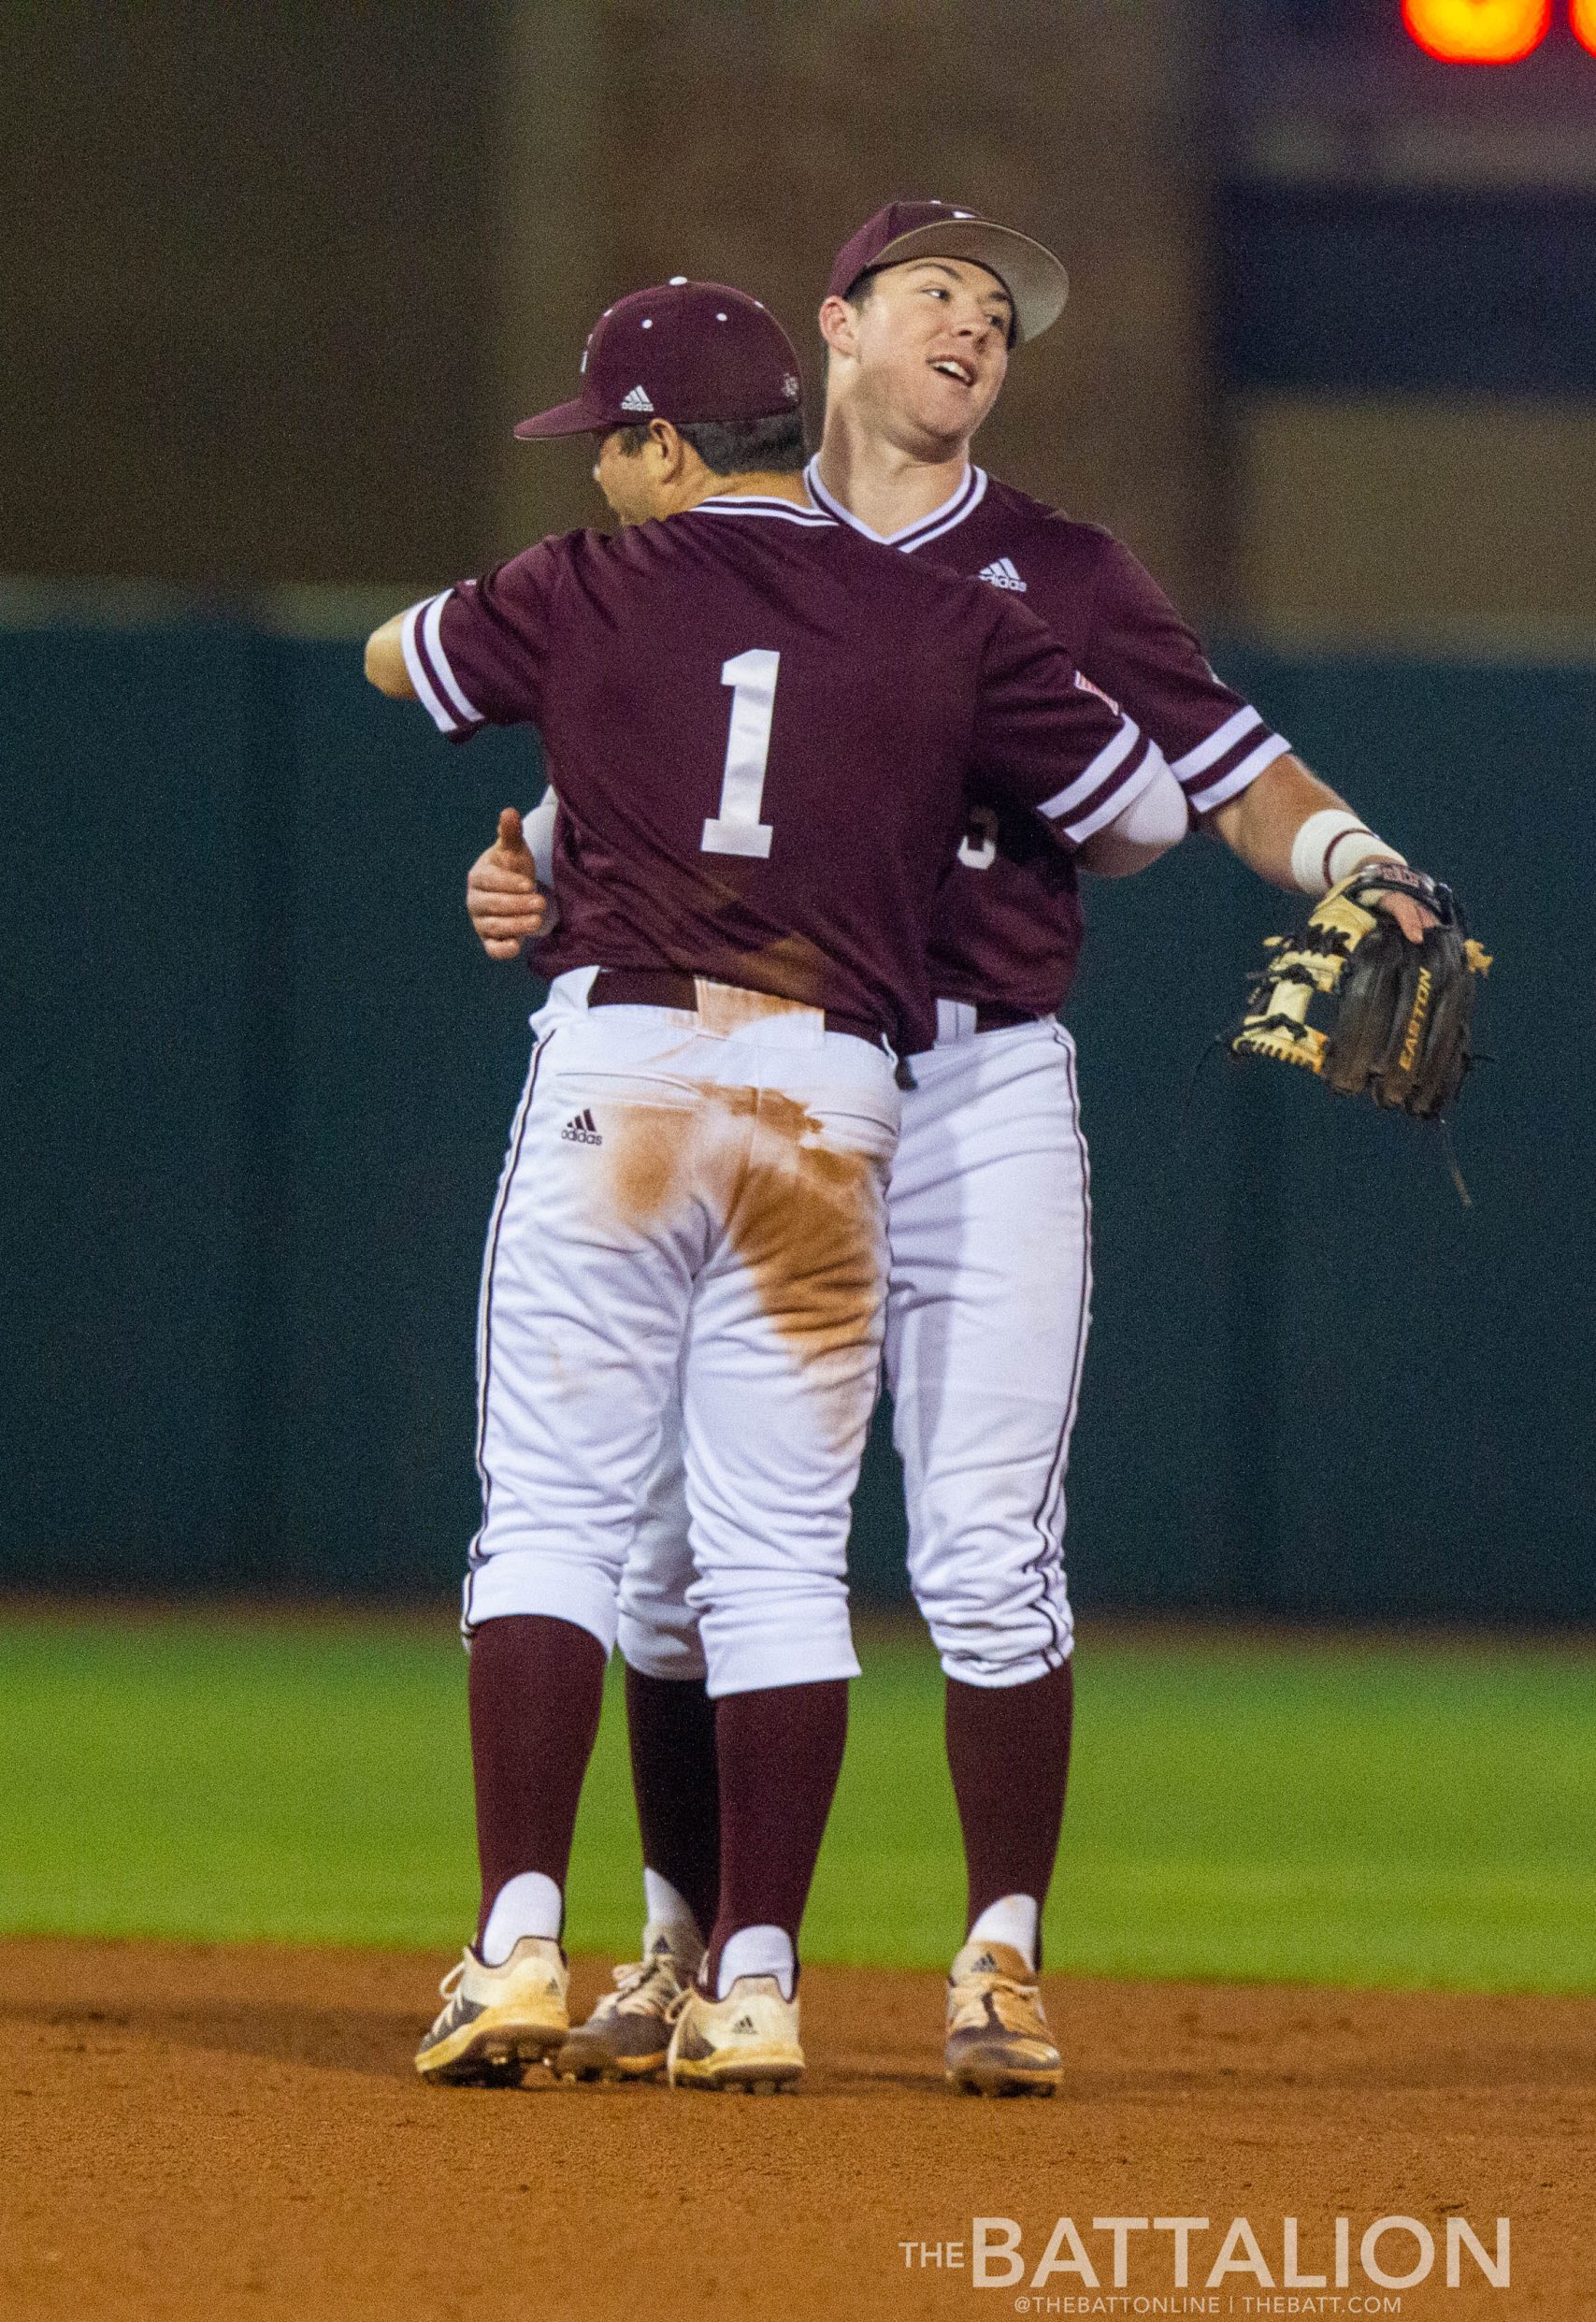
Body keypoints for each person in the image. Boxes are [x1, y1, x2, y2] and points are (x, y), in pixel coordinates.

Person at [465, 204, 1435, 2098]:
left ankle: (996, 1950)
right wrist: (532, 873)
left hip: (974, 1085)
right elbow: (617, 796)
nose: (973, 327)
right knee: (681, 1546)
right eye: (934, 292)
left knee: (983, 1546)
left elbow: (1222, 772)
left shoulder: (1055, 565)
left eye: (998, 312)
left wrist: (1355, 859)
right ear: (833, 328)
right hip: (769, 1066)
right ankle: (690, 1943)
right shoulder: (712, 528)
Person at [365, 275, 1186, 2093]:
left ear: (666, 442)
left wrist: (576, 756)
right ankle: (754, 1979)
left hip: (626, 1074)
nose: (601, 474)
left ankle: (513, 1943)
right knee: (777, 1555)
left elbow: (390, 657)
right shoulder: (932, 617)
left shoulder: (583, 584)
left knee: (560, 1524)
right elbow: (1133, 813)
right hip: (832, 1097)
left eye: (611, 444)